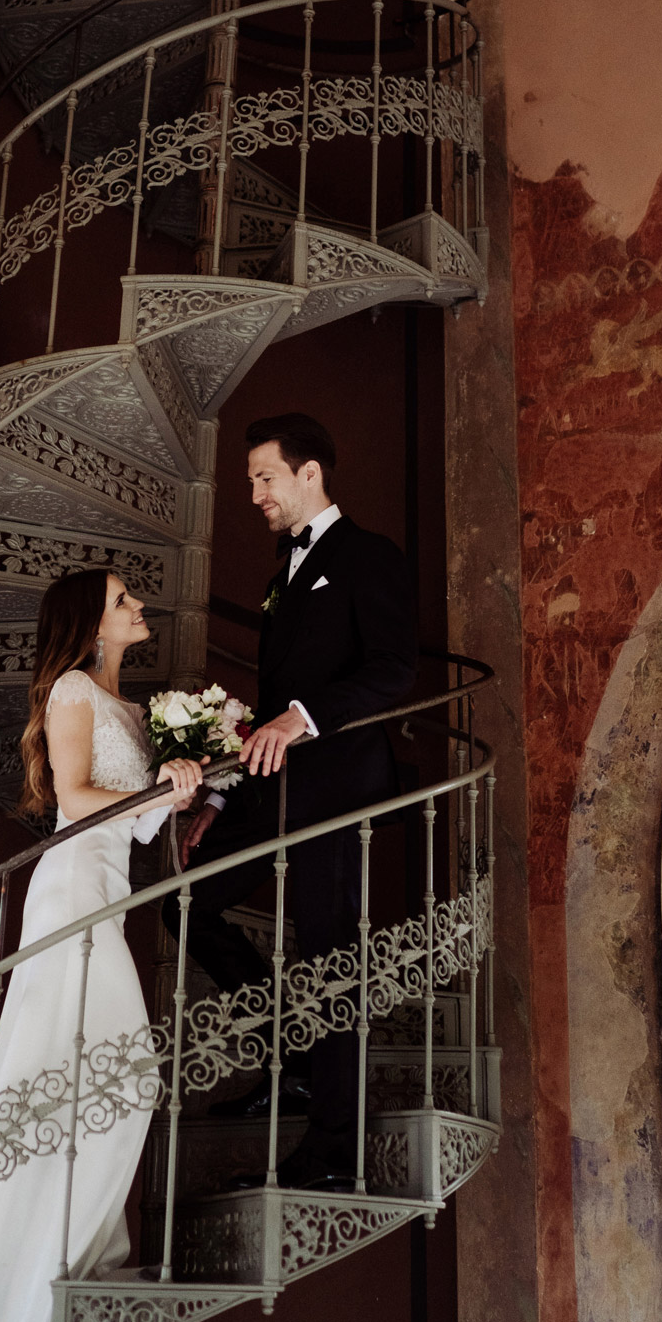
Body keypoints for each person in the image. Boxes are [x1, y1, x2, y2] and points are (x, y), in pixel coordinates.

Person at [0, 569, 204, 1322]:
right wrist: (152, 794)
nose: (137, 608)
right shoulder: (71, 690)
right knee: (105, 1076)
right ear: (93, 627)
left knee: (103, 1080)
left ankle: (69, 1265)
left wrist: (183, 797)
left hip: (111, 893)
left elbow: (136, 831)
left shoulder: (133, 711)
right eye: (122, 601)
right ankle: (23, 1292)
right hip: (70, 894)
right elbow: (72, 795)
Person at [163, 413, 417, 1192]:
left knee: (329, 954)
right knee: (187, 905)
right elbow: (272, 706)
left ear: (310, 475)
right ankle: (299, 1059)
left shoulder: (369, 557)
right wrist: (229, 788)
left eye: (263, 477)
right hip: (272, 784)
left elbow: (394, 669)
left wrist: (302, 716)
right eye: (249, 481)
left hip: (339, 784)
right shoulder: (281, 580)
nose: (253, 494)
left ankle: (336, 1147)